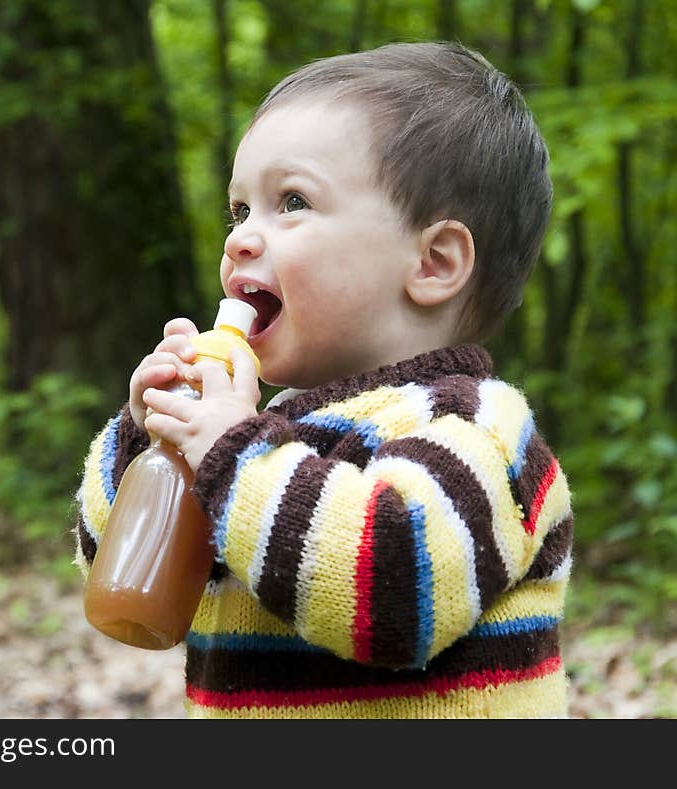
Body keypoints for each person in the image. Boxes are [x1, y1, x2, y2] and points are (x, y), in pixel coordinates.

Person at [73, 41, 573, 718]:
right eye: (239, 210)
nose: (241, 238)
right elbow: (123, 569)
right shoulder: (263, 437)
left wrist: (230, 452)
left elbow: (392, 594)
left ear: (433, 262)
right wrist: (149, 439)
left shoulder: (475, 427)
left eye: (292, 201)